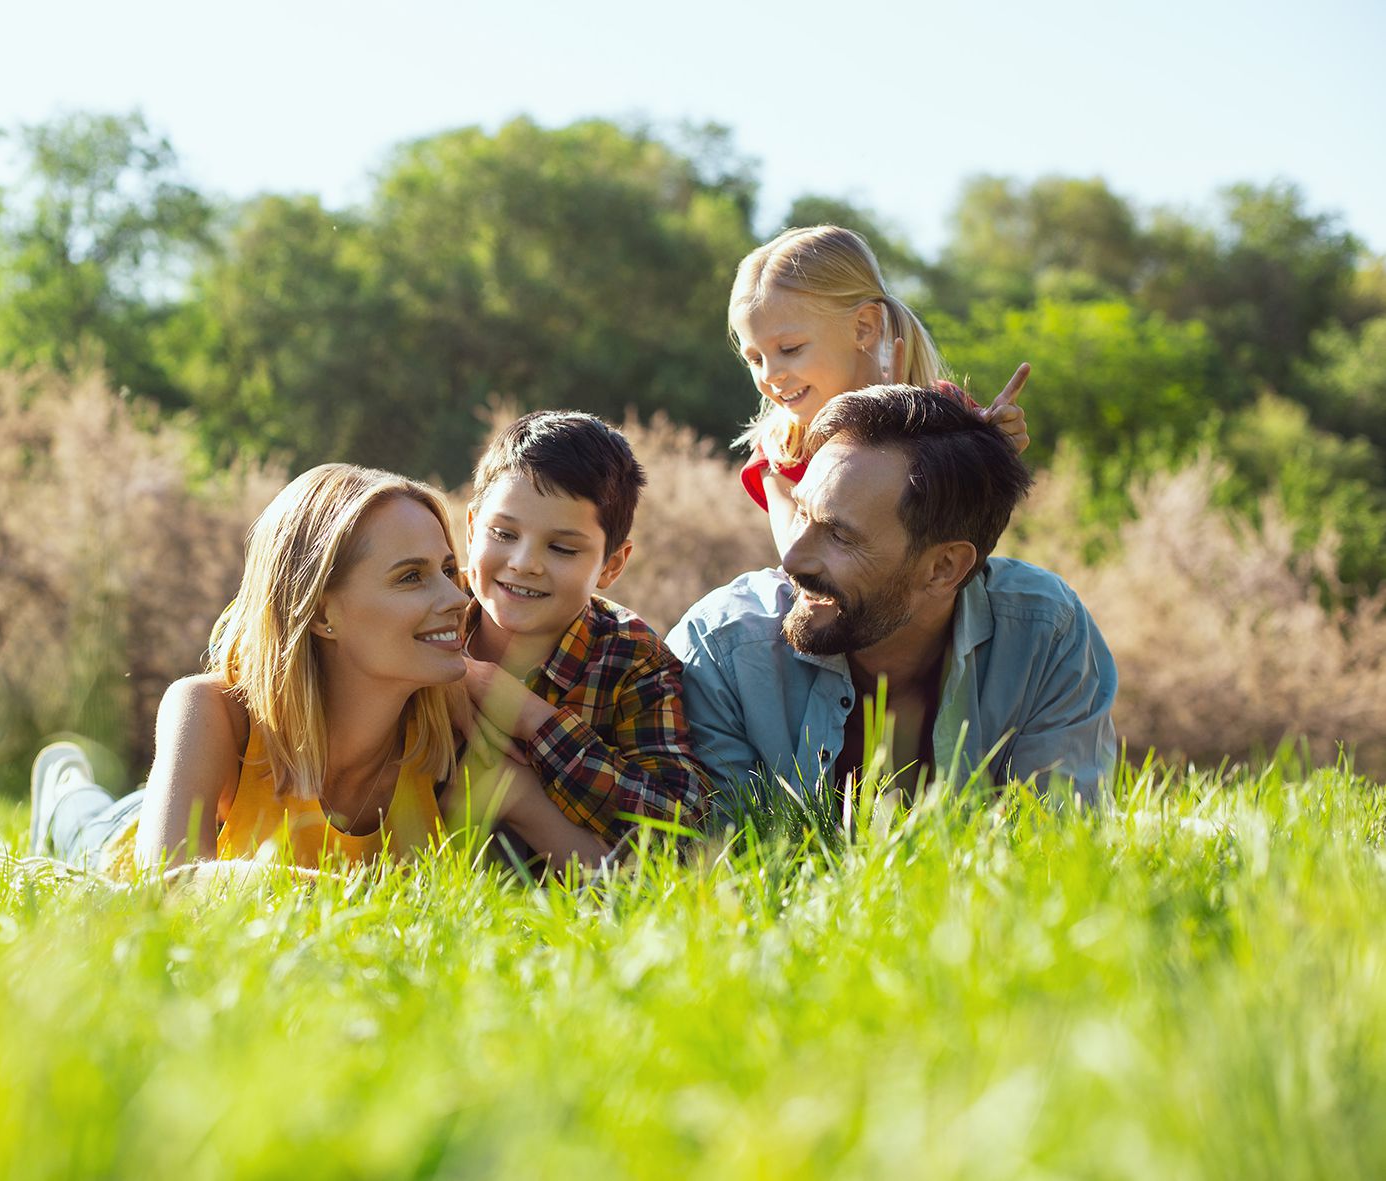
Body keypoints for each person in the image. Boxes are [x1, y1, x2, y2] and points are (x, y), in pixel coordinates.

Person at [669, 386, 1117, 815]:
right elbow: (722, 868)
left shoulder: (1045, 633)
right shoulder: (719, 650)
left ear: (944, 568)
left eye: (840, 536)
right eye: (802, 512)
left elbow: (1053, 853)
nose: (792, 559)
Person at [29, 463, 476, 877]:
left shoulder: (443, 734)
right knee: (81, 825)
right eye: (411, 576)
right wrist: (340, 895)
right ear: (322, 615)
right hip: (121, 836)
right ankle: (64, 789)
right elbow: (166, 883)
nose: (457, 599)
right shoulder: (211, 710)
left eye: (449, 569)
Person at [450, 410, 710, 864]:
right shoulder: (431, 615)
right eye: (503, 534)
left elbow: (681, 828)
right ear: (472, 529)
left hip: (574, 898)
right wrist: (455, 672)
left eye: (562, 548)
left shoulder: (632, 657)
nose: (524, 563)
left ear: (611, 565)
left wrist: (533, 718)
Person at [730, 225, 1033, 557]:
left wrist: (992, 452)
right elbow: (800, 559)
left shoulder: (944, 413)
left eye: (789, 349)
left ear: (863, 326)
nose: (770, 375)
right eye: (755, 359)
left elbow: (974, 529)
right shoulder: (784, 452)